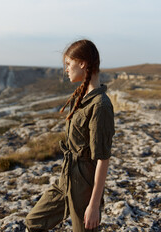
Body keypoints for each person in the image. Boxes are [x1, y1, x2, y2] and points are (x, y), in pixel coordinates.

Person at [25, 39, 115, 232]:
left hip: (84, 185)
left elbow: (103, 159)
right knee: (34, 222)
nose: (66, 69)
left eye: (68, 64)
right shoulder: (81, 96)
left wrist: (94, 205)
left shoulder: (100, 105)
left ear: (82, 63)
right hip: (66, 179)